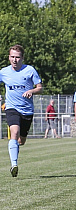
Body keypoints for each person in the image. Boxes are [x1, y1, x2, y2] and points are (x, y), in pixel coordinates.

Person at [0, 44, 43, 177]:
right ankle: (14, 164)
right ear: (9, 57)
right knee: (14, 131)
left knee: (21, 140)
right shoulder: (3, 72)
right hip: (12, 107)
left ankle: (16, 150)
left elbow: (40, 87)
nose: (14, 60)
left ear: (22, 58)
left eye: (17, 57)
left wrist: (31, 91)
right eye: (12, 57)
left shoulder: (29, 70)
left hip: (27, 110)